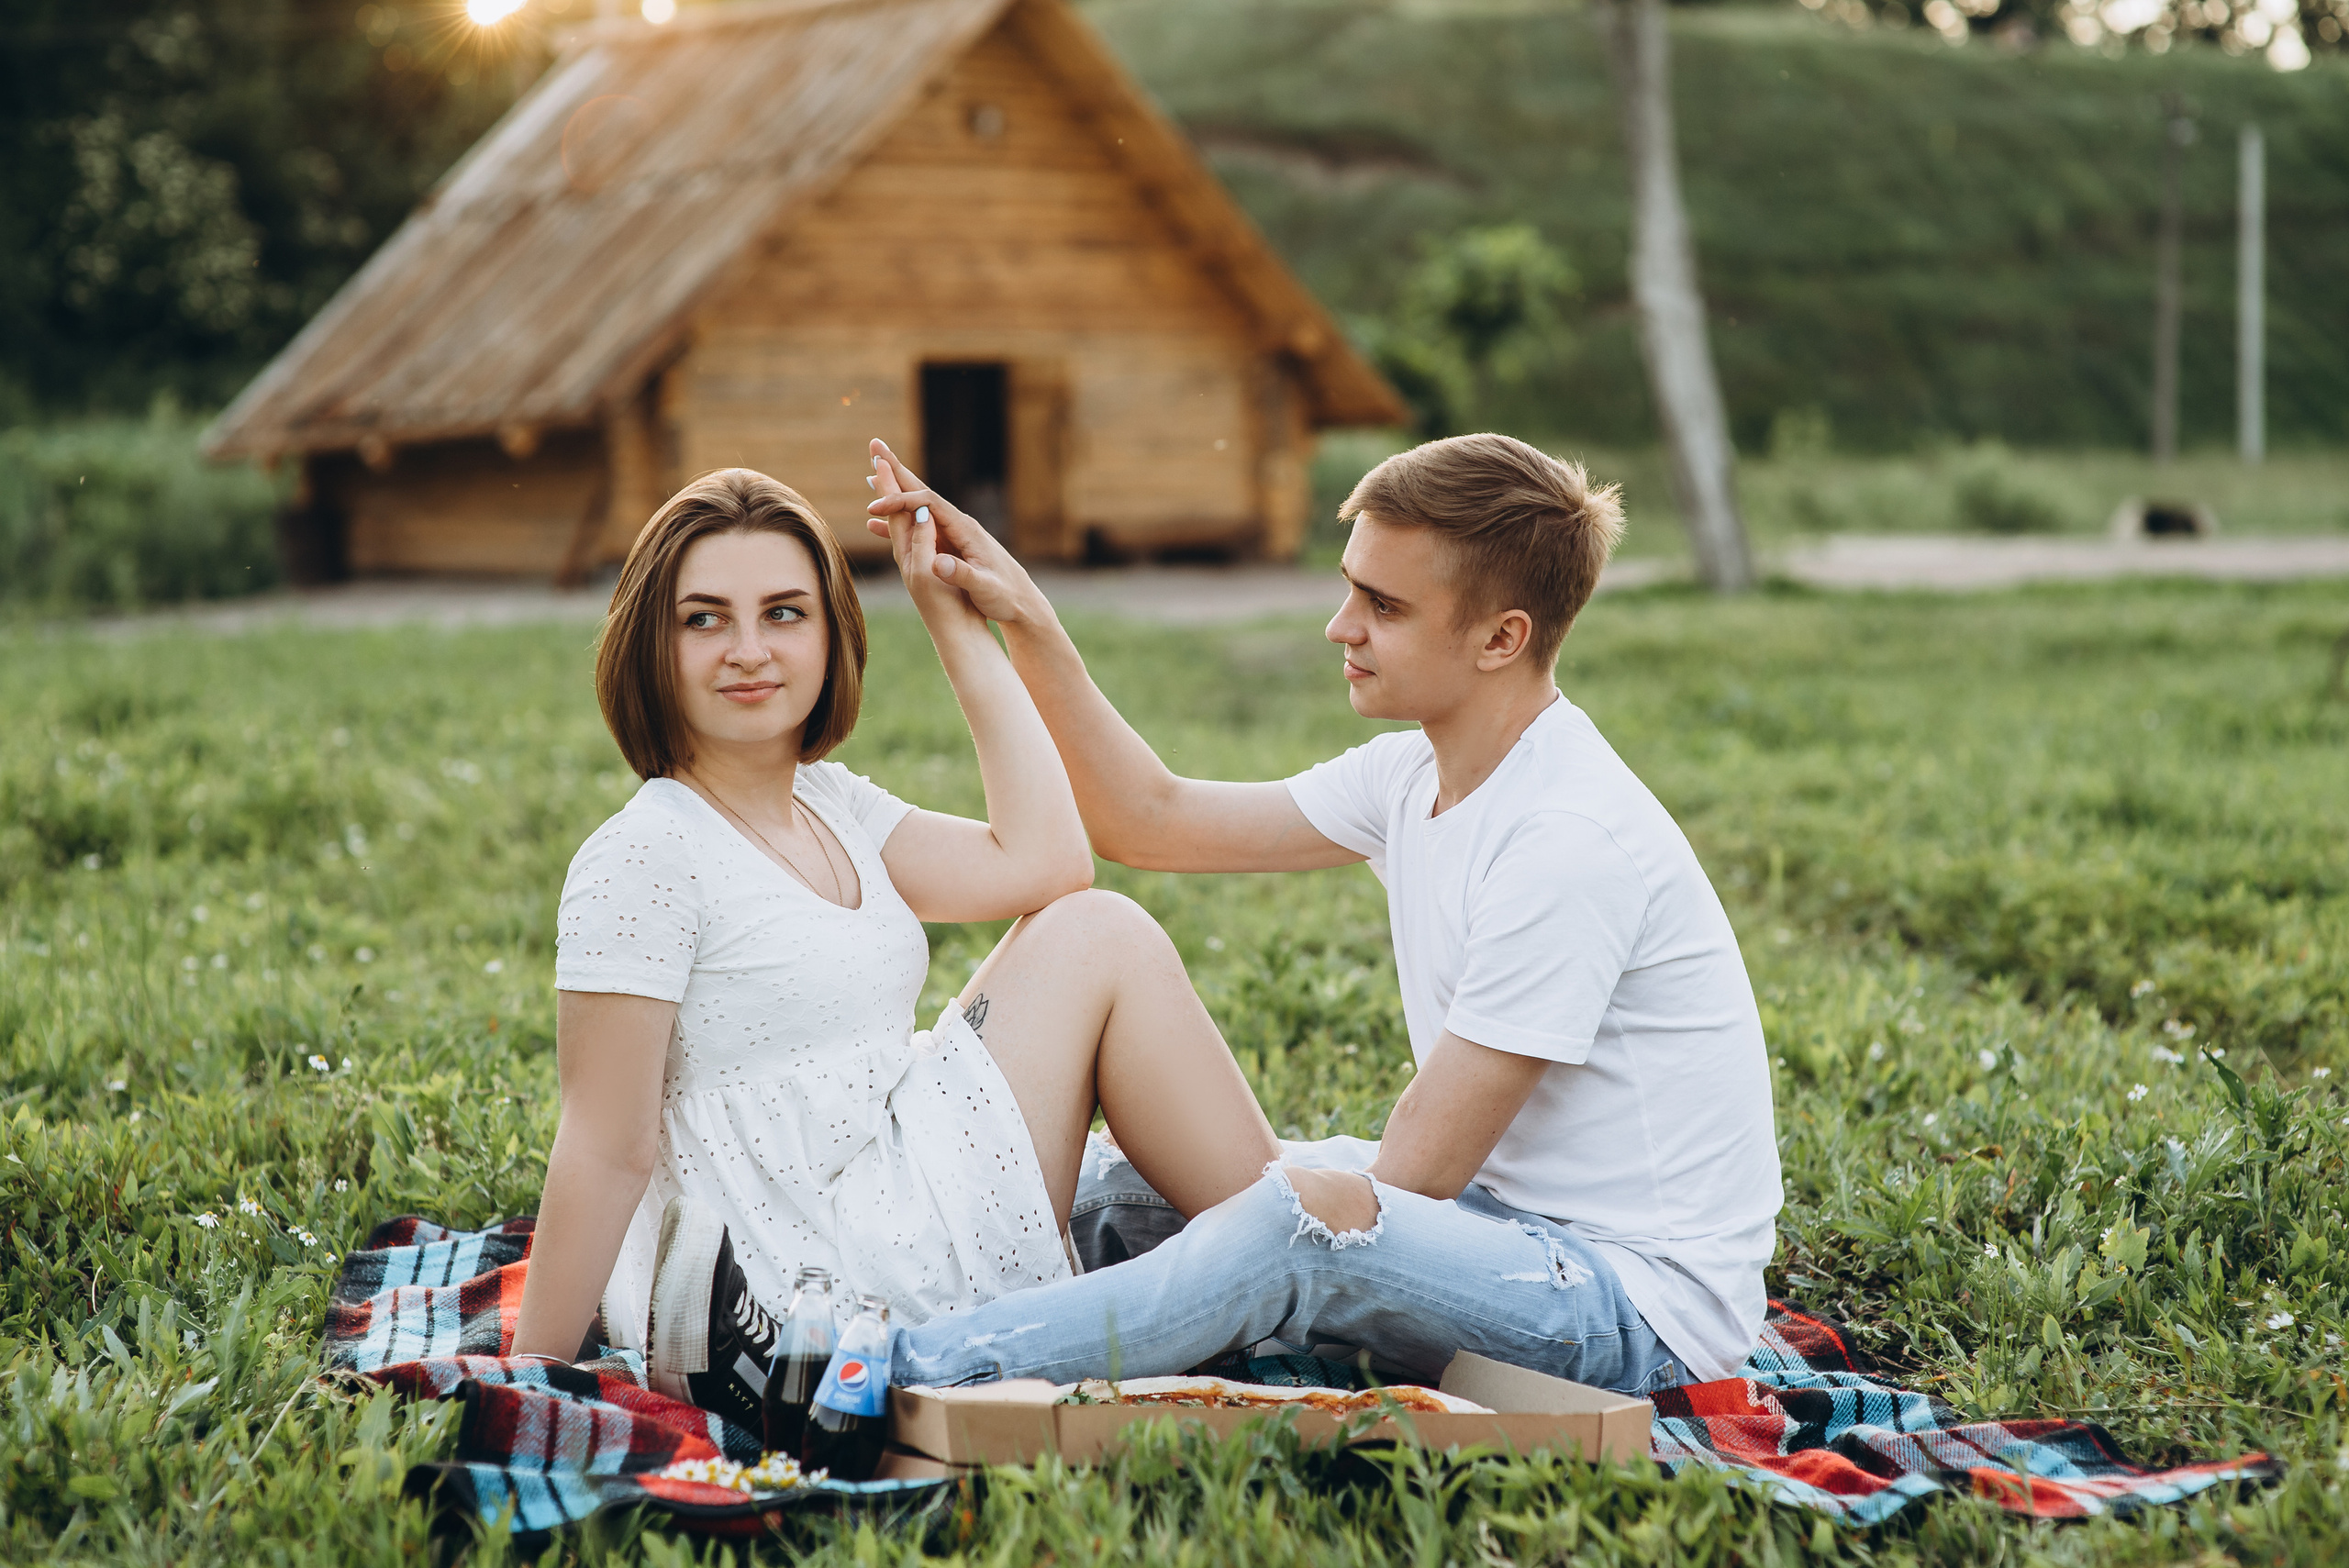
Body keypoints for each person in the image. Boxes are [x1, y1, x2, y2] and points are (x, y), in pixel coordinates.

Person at [858, 431, 1783, 1396]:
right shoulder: (1413, 772)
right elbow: (1149, 817)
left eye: (1383, 606)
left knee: (1290, 1225)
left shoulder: (1568, 840)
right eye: (1350, 589)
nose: (1341, 626)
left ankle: (889, 1372)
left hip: (1631, 1305)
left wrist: (1261, 1208)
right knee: (1125, 1181)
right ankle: (860, 1292)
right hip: (1497, 1219)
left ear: (1500, 638)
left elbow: (1413, 1177)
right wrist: (1027, 618)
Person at [507, 462, 1280, 1431]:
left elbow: (1047, 860)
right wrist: (528, 1372)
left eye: (784, 613)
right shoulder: (646, 852)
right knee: (1103, 938)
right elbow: (604, 1143)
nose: (748, 650)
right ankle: (1303, 1241)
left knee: (1096, 930)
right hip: (790, 1283)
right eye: (703, 619)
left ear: (831, 634)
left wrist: (952, 620)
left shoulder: (829, 802)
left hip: (879, 1177)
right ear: (649, 646)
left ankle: (1297, 1228)